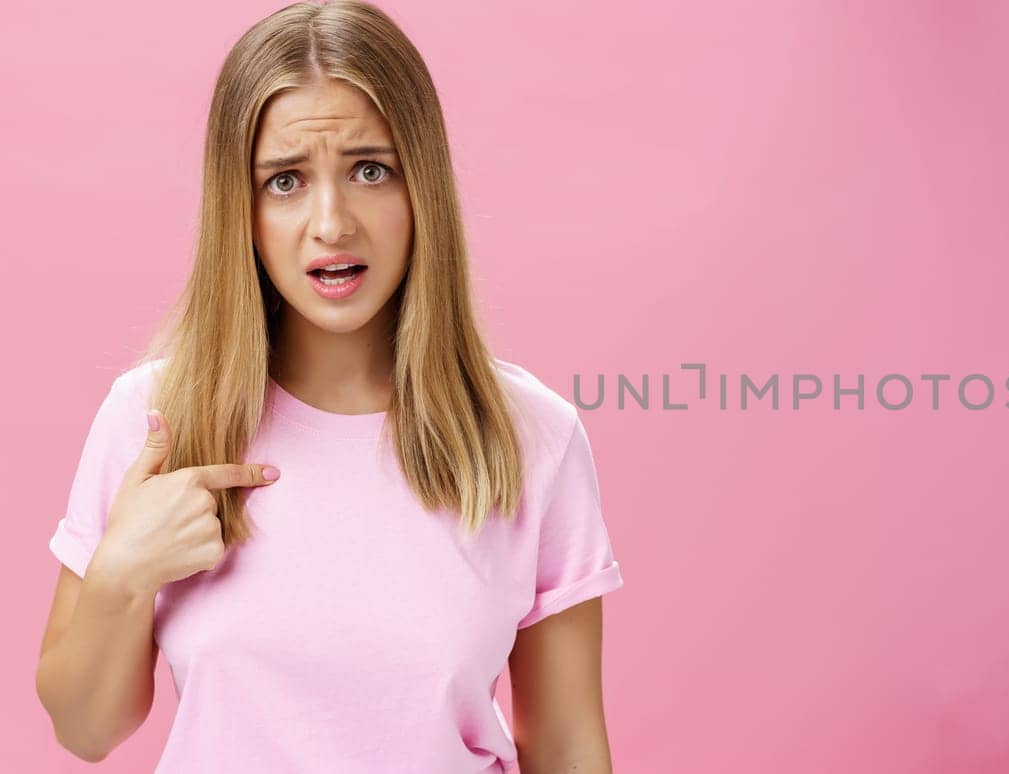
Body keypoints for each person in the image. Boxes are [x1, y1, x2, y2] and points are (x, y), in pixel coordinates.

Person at [33, 2, 624, 771]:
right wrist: (121, 572)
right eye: (284, 180)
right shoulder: (155, 423)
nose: (332, 222)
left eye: (369, 170)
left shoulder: (531, 437)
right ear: (238, 210)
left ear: (424, 189)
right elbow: (84, 731)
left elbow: (569, 743)